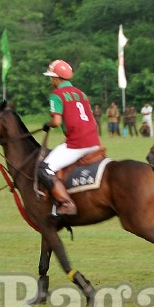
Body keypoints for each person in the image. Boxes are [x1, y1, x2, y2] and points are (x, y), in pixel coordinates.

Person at [39, 59, 100, 216]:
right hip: (94, 142)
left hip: (77, 144)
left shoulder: (56, 95)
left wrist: (48, 124)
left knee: (44, 168)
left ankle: (66, 203)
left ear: (57, 78)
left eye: (51, 77)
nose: (51, 80)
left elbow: (57, 121)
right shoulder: (82, 94)